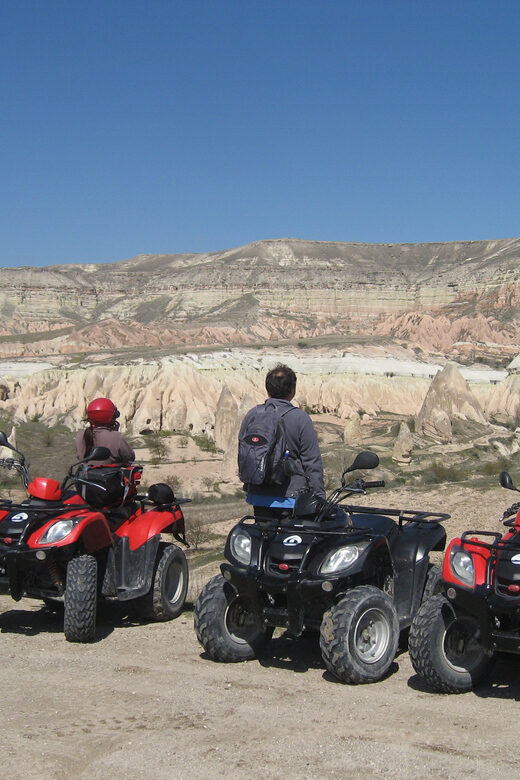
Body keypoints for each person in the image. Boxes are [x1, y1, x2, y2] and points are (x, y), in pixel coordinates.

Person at [239, 364, 325, 520]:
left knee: (264, 541)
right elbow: (312, 461)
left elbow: (243, 451)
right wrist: (319, 497)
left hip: (259, 496)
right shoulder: (300, 418)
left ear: (268, 389)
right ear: (292, 390)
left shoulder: (253, 414)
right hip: (291, 498)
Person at [75, 397, 135, 463]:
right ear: (111, 417)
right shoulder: (116, 437)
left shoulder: (80, 435)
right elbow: (129, 457)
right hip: (111, 473)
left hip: (86, 472)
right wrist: (114, 432)